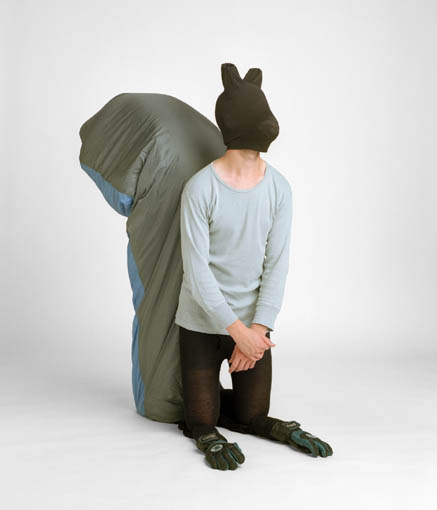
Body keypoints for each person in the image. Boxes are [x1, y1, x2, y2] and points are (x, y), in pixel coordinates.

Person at [174, 63, 333, 470]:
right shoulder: (199, 189)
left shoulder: (279, 188)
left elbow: (277, 263)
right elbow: (197, 273)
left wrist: (258, 331)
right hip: (202, 324)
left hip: (251, 324)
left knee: (252, 415)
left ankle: (283, 429)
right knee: (200, 420)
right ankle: (205, 427)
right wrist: (237, 333)